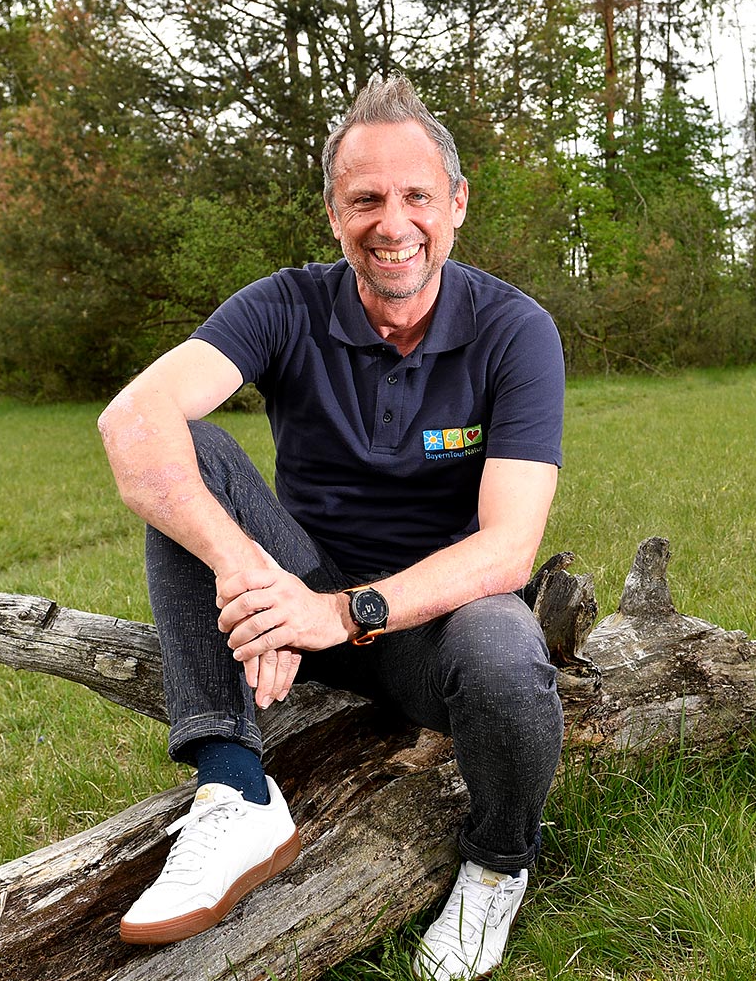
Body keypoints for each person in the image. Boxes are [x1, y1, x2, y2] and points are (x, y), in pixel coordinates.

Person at [97, 77, 565, 980]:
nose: (394, 223)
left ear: (457, 204)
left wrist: (341, 614)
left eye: (417, 196)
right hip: (296, 592)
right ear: (332, 214)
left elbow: (508, 550)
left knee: (509, 660)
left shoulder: (515, 330)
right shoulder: (284, 305)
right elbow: (132, 422)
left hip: (437, 619)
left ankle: (498, 862)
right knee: (180, 449)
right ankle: (234, 789)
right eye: (366, 200)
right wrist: (247, 574)